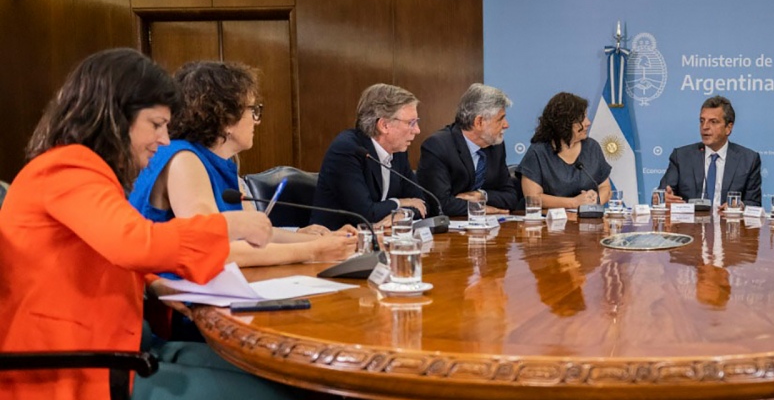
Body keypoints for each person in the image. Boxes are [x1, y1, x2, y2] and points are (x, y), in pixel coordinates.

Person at [0, 48, 386, 400]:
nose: (163, 138)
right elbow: (133, 242)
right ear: (114, 112)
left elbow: (117, 257)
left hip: (111, 355)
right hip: (71, 382)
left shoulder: (75, 170)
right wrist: (234, 226)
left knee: (267, 378)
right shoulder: (68, 167)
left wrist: (164, 283)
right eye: (155, 123)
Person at [128, 60, 357, 266]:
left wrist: (327, 239)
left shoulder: (222, 162)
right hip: (174, 302)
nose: (257, 121)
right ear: (226, 117)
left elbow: (257, 234)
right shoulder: (183, 160)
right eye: (253, 110)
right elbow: (213, 250)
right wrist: (312, 250)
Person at [311, 83, 428, 230]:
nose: (417, 130)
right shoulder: (347, 150)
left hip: (378, 242)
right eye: (411, 123)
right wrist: (401, 203)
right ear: (384, 125)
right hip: (335, 243)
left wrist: (402, 215)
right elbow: (365, 213)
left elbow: (420, 202)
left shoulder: (398, 151)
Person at [417, 83, 520, 217]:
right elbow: (440, 204)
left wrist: (482, 196)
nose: (506, 125)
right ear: (479, 122)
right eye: (500, 119)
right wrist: (486, 209)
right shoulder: (438, 146)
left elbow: (511, 197)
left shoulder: (496, 145)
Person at [658, 96, 763, 207]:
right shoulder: (681, 157)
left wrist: (739, 206)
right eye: (702, 121)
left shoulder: (748, 159)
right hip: (689, 223)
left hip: (728, 222)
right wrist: (663, 198)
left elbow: (754, 203)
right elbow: (662, 194)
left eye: (713, 122)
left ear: (728, 128)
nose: (705, 127)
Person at [518, 92, 613, 209]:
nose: (588, 122)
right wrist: (573, 203)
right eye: (582, 118)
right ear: (565, 124)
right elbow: (532, 197)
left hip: (587, 220)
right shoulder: (538, 152)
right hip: (549, 222)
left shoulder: (592, 147)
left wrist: (594, 202)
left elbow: (605, 188)